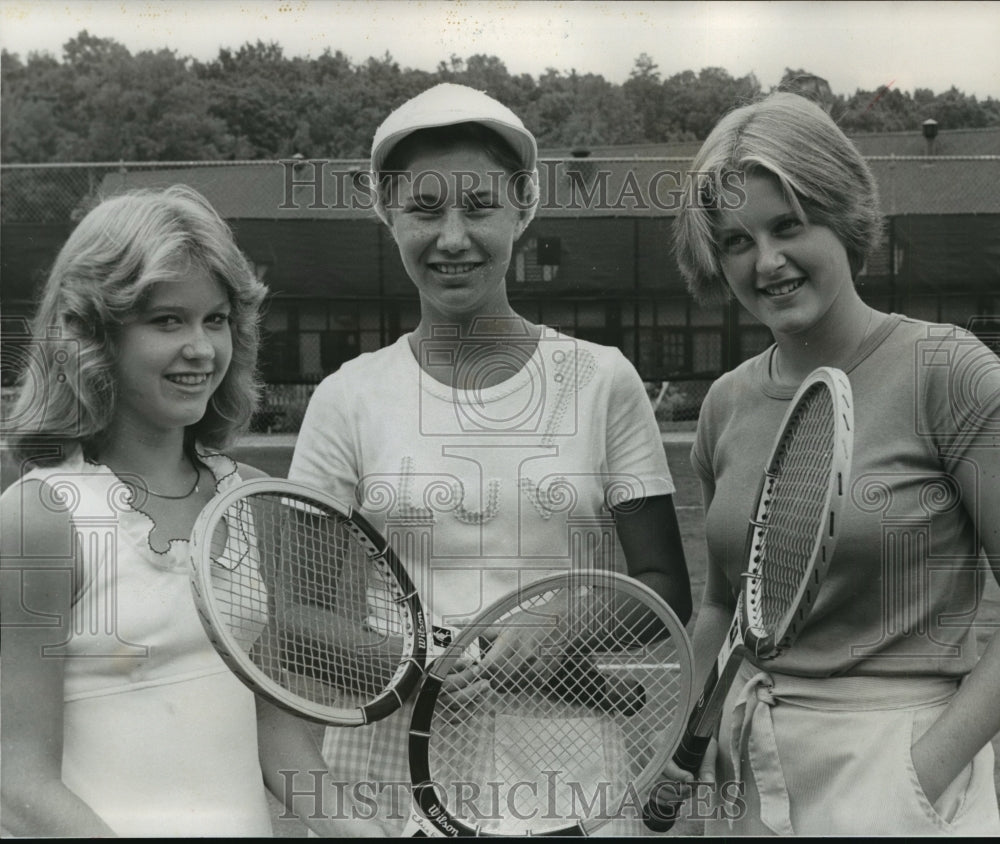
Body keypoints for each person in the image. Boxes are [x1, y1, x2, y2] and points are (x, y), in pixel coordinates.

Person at [288, 82, 693, 835]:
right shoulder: (348, 398)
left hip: (567, 768)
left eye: (478, 207)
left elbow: (663, 590)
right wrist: (418, 668)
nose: (452, 237)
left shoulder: (602, 379)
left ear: (522, 209)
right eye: (424, 209)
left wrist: (556, 626)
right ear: (387, 215)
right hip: (388, 771)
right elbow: (293, 618)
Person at [661, 91, 1000, 835]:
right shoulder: (725, 403)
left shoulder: (947, 370)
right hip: (745, 768)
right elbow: (722, 603)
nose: (768, 262)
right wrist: (674, 739)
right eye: (737, 242)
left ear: (843, 217)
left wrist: (921, 771)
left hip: (899, 762)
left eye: (789, 226)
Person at [0, 186, 353, 837]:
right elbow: (17, 782)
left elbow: (279, 741)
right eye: (167, 321)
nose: (201, 348)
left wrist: (361, 830)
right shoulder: (41, 518)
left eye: (215, 320)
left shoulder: (250, 499)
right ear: (94, 335)